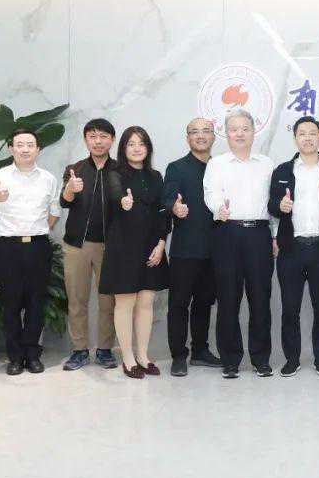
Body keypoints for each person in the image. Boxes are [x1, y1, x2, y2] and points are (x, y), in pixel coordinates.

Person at [0, 129, 61, 375]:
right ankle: (15, 357)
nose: (25, 149)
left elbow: (54, 210)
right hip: (8, 248)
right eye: (20, 144)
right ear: (11, 149)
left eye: (30, 145)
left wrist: (41, 230)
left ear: (38, 150)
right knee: (10, 303)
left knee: (36, 302)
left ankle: (32, 355)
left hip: (38, 246)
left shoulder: (48, 178)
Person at [203, 110, 276, 379]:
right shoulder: (217, 164)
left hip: (259, 234)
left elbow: (273, 203)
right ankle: (230, 359)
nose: (240, 133)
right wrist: (219, 209)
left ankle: (261, 359)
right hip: (227, 233)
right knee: (228, 299)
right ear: (226, 133)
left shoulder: (266, 164)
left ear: (254, 131)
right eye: (234, 129)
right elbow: (211, 193)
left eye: (245, 128)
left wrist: (275, 236)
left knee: (260, 299)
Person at [269, 116, 319, 377]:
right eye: (302, 133)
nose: (307, 138)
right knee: (290, 309)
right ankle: (292, 359)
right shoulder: (283, 171)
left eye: (312, 133)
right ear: (295, 138)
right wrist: (280, 206)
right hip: (291, 248)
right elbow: (271, 206)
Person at [99, 126, 170, 379]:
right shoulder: (115, 173)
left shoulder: (156, 176)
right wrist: (124, 202)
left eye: (141, 143)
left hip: (152, 246)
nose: (137, 148)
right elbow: (116, 196)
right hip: (123, 247)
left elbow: (163, 212)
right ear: (123, 148)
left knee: (146, 302)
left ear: (148, 148)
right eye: (131, 144)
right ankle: (128, 358)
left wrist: (161, 243)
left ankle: (143, 355)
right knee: (125, 303)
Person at [162, 118, 222, 377]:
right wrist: (175, 207)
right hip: (185, 249)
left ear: (214, 137)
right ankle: (178, 356)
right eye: (194, 132)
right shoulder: (176, 168)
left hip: (216, 249)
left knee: (204, 303)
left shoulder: (221, 167)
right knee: (178, 304)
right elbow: (168, 197)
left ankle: (200, 351)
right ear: (187, 138)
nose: (200, 136)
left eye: (206, 131)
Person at [59, 118, 118, 371]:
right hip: (77, 245)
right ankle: (79, 350)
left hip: (111, 246)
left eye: (103, 136)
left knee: (108, 301)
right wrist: (70, 189)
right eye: (92, 136)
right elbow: (64, 202)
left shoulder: (122, 170)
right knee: (77, 299)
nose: (98, 141)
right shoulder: (75, 168)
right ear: (85, 140)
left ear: (112, 140)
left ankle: (105, 349)